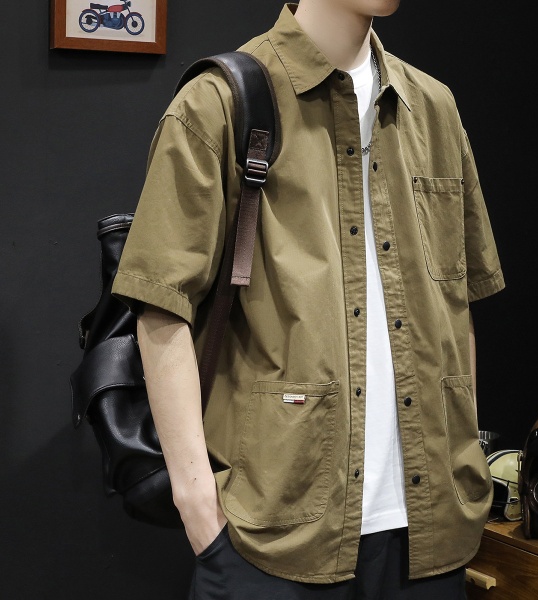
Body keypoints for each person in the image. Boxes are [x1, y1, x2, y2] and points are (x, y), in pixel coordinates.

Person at [112, 1, 505, 598]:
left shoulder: (434, 108)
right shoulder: (219, 102)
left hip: (432, 536)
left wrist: (465, 458)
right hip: (273, 538)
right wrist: (199, 510)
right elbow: (162, 307)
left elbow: (457, 302)